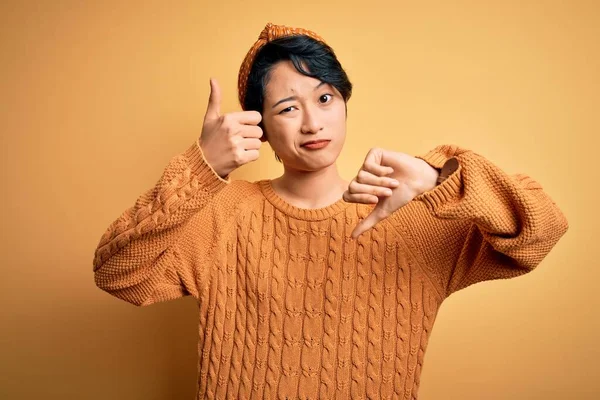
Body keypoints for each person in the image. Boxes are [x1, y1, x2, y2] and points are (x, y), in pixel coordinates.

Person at [92, 22, 569, 400]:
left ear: (344, 105)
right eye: (287, 108)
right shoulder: (226, 214)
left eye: (325, 98)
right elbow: (116, 273)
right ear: (260, 127)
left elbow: (542, 230)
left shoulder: (411, 216)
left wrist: (438, 180)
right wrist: (201, 167)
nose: (313, 121)